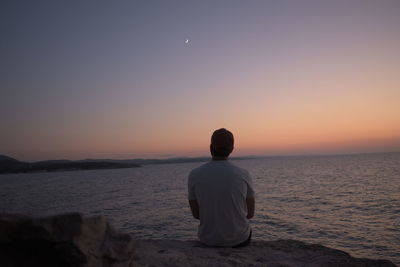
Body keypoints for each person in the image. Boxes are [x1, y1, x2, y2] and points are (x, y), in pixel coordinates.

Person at [187, 128, 255, 247]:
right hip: (240, 240)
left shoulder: (194, 174)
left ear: (210, 147)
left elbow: (197, 215)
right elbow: (250, 214)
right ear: (232, 149)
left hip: (208, 240)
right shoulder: (244, 174)